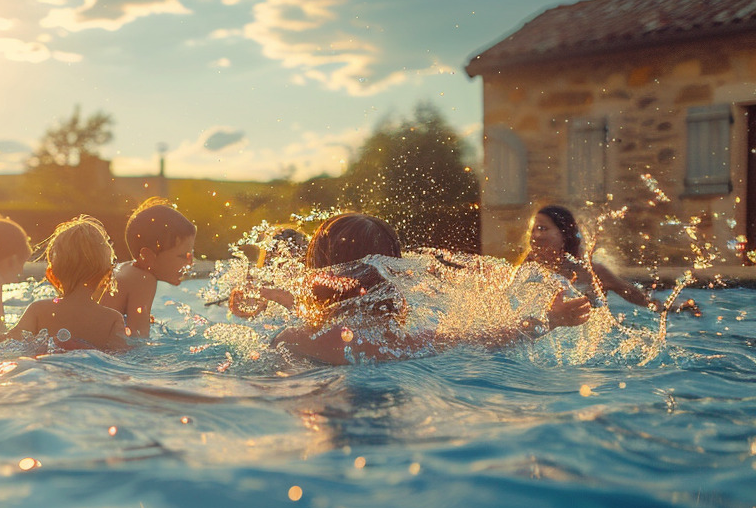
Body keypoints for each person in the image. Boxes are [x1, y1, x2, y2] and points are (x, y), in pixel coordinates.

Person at [272, 212, 592, 364]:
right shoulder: (402, 341)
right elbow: (489, 339)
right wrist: (550, 320)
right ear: (392, 271)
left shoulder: (297, 338)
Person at [524, 205, 699, 315]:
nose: (535, 236)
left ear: (564, 234)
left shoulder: (591, 272)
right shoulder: (529, 267)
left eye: (542, 228)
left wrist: (672, 308)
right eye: (533, 230)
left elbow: (636, 296)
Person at [0, 216, 129, 351]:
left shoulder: (37, 310)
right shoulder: (112, 320)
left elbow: (9, 343)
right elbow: (121, 358)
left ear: (51, 275)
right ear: (107, 277)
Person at [100, 197, 197, 337]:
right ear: (148, 256)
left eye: (191, 254)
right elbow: (138, 341)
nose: (190, 262)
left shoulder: (124, 270)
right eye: (183, 256)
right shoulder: (144, 280)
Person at [227, 224, 308, 318]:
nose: (291, 268)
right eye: (280, 262)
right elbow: (252, 316)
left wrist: (279, 296)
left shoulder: (314, 287)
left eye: (299, 259)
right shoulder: (264, 290)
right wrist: (241, 307)